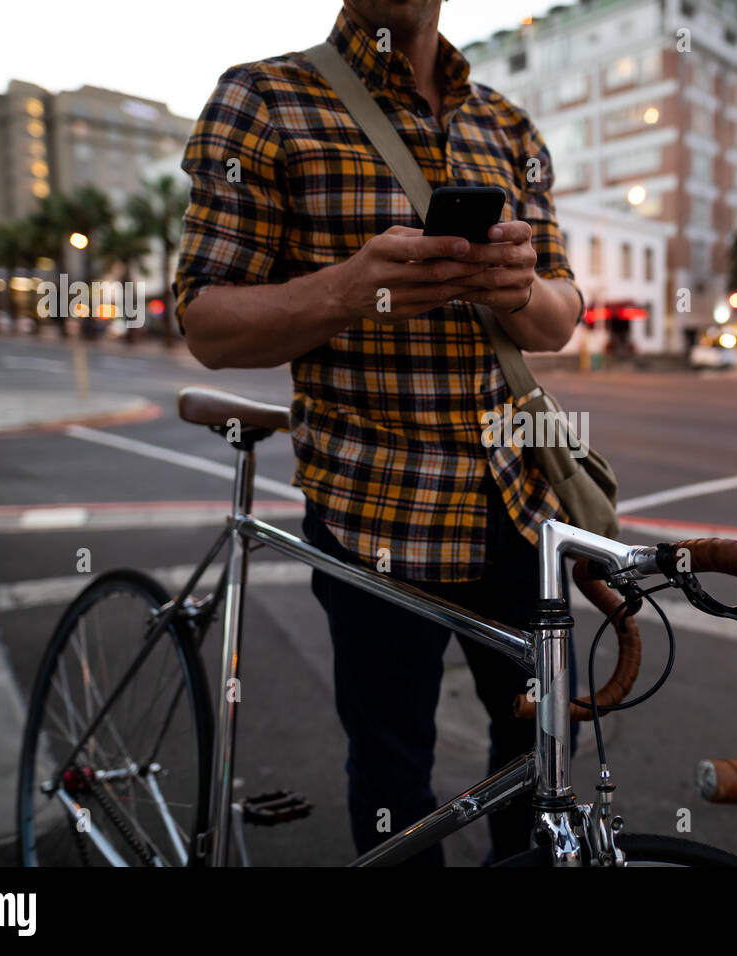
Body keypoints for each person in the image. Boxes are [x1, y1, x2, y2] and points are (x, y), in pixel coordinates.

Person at [173, 0, 585, 865]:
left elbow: (559, 319)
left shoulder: (507, 124)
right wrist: (352, 285)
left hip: (517, 502)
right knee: (397, 776)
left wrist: (518, 287)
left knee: (543, 763)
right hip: (373, 510)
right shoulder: (265, 99)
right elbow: (207, 323)